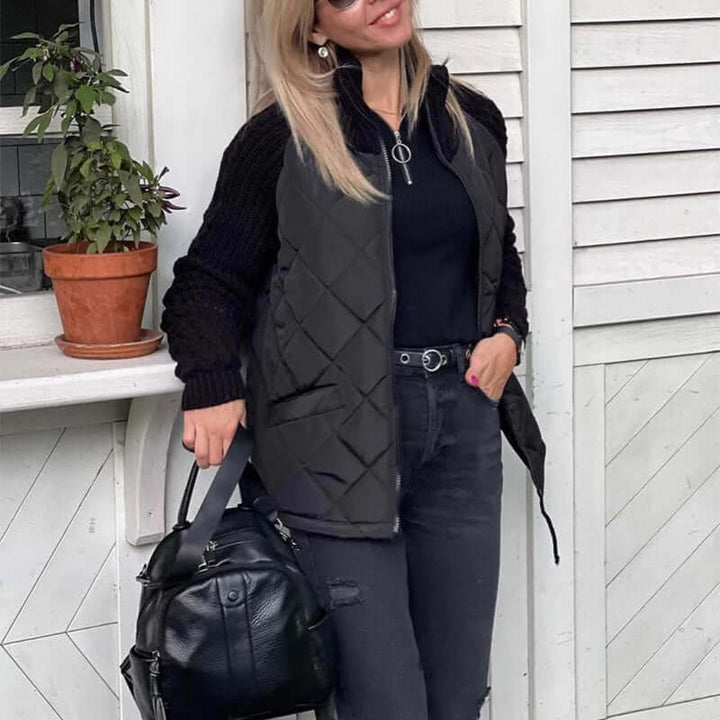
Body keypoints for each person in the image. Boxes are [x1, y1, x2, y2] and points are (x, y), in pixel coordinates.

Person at [160, 1, 559, 717]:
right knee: (383, 703)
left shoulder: (473, 120)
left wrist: (507, 331)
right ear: (312, 25)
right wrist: (212, 382)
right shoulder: (279, 137)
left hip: (463, 428)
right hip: (334, 445)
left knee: (459, 697)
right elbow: (209, 282)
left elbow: (498, 258)